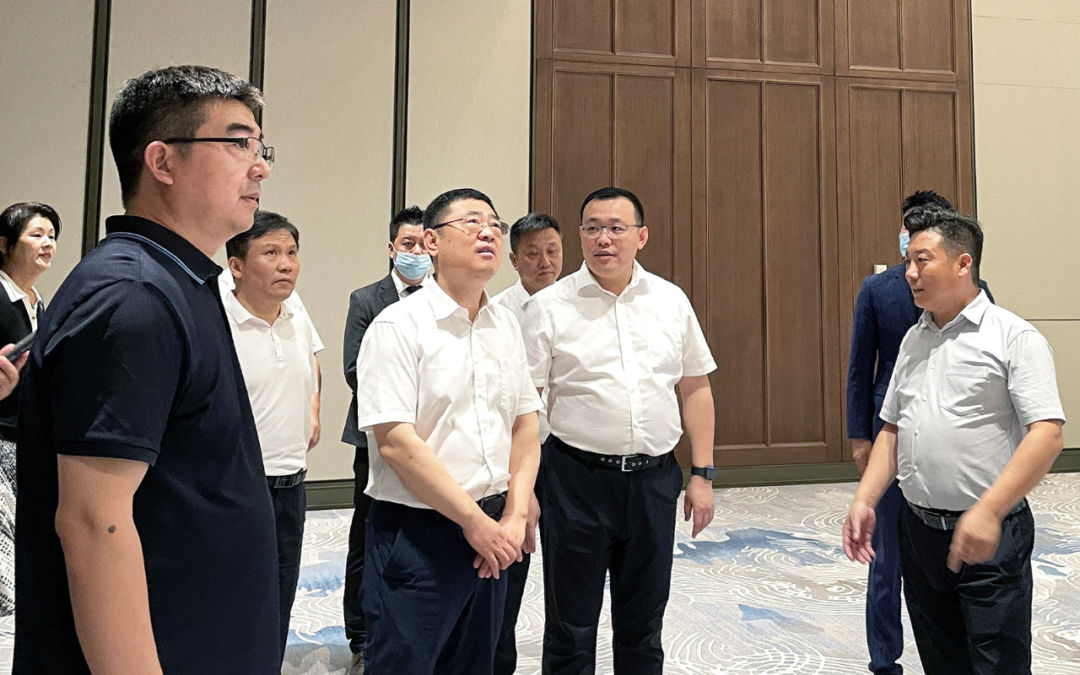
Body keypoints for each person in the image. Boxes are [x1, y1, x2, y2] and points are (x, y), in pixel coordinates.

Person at [13, 65, 279, 673]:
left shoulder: (176, 279)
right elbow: (92, 521)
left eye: (260, 148)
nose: (259, 166)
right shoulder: (133, 296)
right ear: (162, 161)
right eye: (239, 143)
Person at [843, 207, 1066, 674]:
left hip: (990, 534)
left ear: (964, 264)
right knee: (941, 659)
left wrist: (988, 510)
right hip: (919, 532)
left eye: (922, 260)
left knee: (996, 663)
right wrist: (865, 498)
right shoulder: (914, 339)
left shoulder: (1013, 337)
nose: (910, 272)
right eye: (908, 260)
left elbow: (1047, 434)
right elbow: (893, 428)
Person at [523, 186, 717, 674]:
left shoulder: (670, 301)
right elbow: (524, 405)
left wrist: (702, 474)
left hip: (653, 481)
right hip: (575, 481)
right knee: (570, 624)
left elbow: (695, 387)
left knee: (644, 622)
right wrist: (522, 490)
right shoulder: (549, 306)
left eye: (615, 228)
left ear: (641, 236)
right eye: (592, 228)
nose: (603, 239)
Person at [354, 187, 541, 673]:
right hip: (420, 532)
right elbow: (396, 443)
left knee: (476, 662)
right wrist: (473, 522)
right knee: (406, 664)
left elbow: (525, 423)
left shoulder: (504, 324)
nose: (488, 232)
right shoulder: (398, 326)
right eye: (472, 222)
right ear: (432, 242)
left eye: (495, 224)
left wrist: (516, 512)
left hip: (496, 527)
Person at [846, 190, 994, 675]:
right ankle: (883, 659)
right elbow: (860, 367)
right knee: (884, 556)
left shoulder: (978, 290)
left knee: (953, 554)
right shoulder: (878, 288)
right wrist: (859, 435)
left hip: (952, 439)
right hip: (890, 432)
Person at [222, 209, 323, 661]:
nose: (286, 264)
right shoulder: (217, 317)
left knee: (280, 591)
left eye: (292, 253)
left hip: (291, 480)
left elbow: (313, 362)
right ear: (236, 265)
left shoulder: (296, 310)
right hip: (235, 485)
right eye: (271, 253)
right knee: (231, 594)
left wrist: (312, 411)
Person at [341, 204, 429, 673]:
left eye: (422, 243)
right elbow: (355, 370)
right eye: (407, 244)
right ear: (392, 249)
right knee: (368, 534)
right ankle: (360, 635)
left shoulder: (442, 299)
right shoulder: (366, 299)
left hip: (431, 439)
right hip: (375, 437)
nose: (416, 252)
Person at [490, 212, 563, 675]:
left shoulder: (578, 304)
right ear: (514, 260)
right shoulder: (498, 314)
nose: (545, 262)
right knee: (509, 564)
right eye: (532, 254)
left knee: (568, 574)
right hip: (514, 451)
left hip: (567, 456)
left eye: (553, 251)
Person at [0, 201, 61, 615]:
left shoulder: (38, 302)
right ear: (5, 244)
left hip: (27, 439)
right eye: (36, 235)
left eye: (52, 236)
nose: (47, 244)